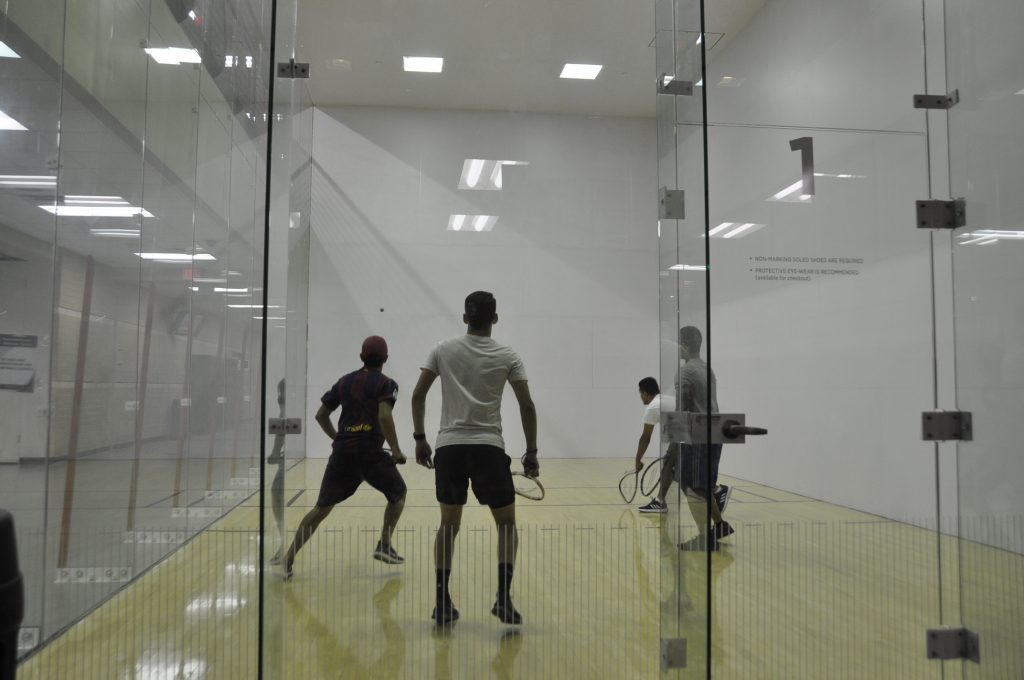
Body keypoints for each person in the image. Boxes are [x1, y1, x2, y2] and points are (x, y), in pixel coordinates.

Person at [412, 291, 538, 626]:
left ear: (466, 318)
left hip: (449, 449)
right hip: (489, 449)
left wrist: (420, 439)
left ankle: (441, 602)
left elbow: (417, 395)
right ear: (494, 318)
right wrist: (532, 453)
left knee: (448, 525)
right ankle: (503, 598)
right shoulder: (508, 355)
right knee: (507, 525)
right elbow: (527, 406)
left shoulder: (442, 349)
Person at [282, 335, 408, 579]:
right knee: (398, 494)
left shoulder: (344, 382)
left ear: (361, 357)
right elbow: (384, 416)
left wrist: (338, 438)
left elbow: (321, 415)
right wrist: (395, 449)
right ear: (386, 359)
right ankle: (384, 544)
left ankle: (288, 559)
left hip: (342, 455)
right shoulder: (386, 384)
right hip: (370, 454)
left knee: (321, 508)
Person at [675, 326, 733, 551]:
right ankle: (719, 525)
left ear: (685, 345)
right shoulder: (708, 369)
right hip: (715, 432)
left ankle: (705, 537)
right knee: (703, 485)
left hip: (698, 435)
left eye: (679, 342)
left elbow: (682, 410)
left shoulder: (685, 372)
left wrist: (674, 437)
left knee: (693, 486)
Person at [634, 377, 676, 513]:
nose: (641, 397)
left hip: (687, 436)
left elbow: (645, 438)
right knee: (670, 465)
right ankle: (660, 501)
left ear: (645, 393)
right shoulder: (664, 399)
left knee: (673, 468)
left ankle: (716, 490)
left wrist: (637, 460)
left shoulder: (653, 407)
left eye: (640, 394)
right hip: (691, 434)